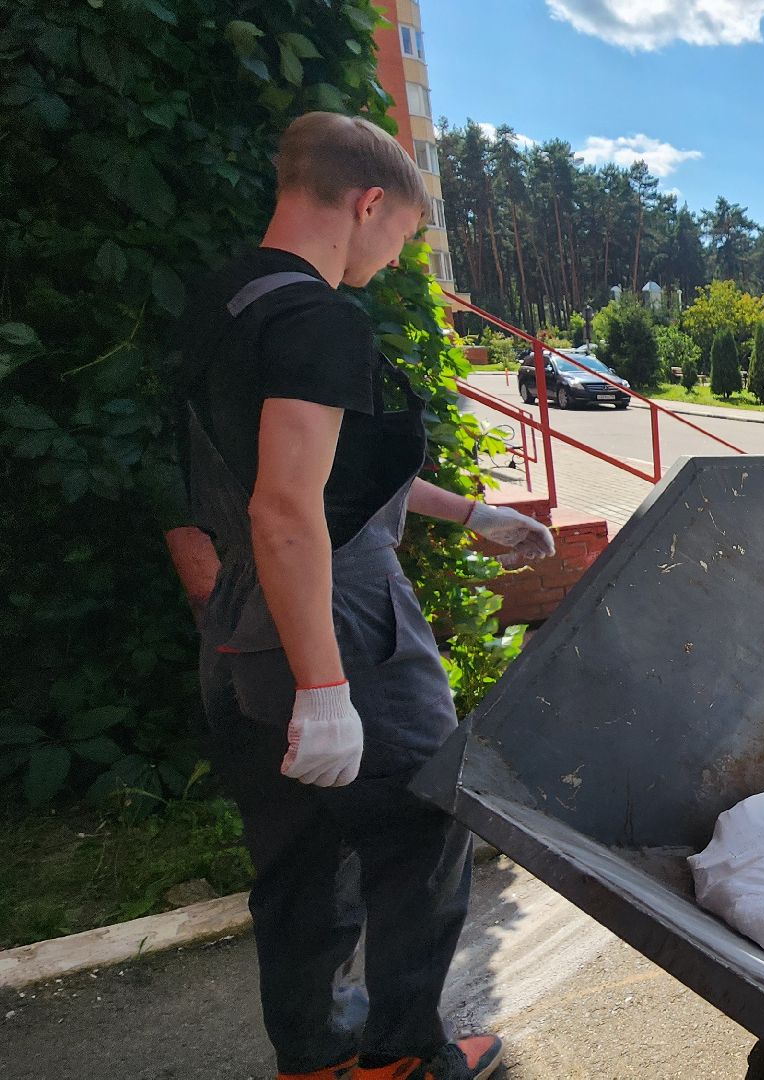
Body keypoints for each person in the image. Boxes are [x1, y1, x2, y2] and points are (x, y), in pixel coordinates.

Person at [168, 112, 553, 1080]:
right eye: (406, 236)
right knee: (427, 821)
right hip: (338, 620)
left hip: (244, 627)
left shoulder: (222, 305)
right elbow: (290, 509)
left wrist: (472, 515)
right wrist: (326, 686)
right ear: (370, 203)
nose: (398, 258)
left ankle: (317, 1055)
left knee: (296, 859)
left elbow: (298, 473)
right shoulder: (318, 320)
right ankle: (404, 1059)